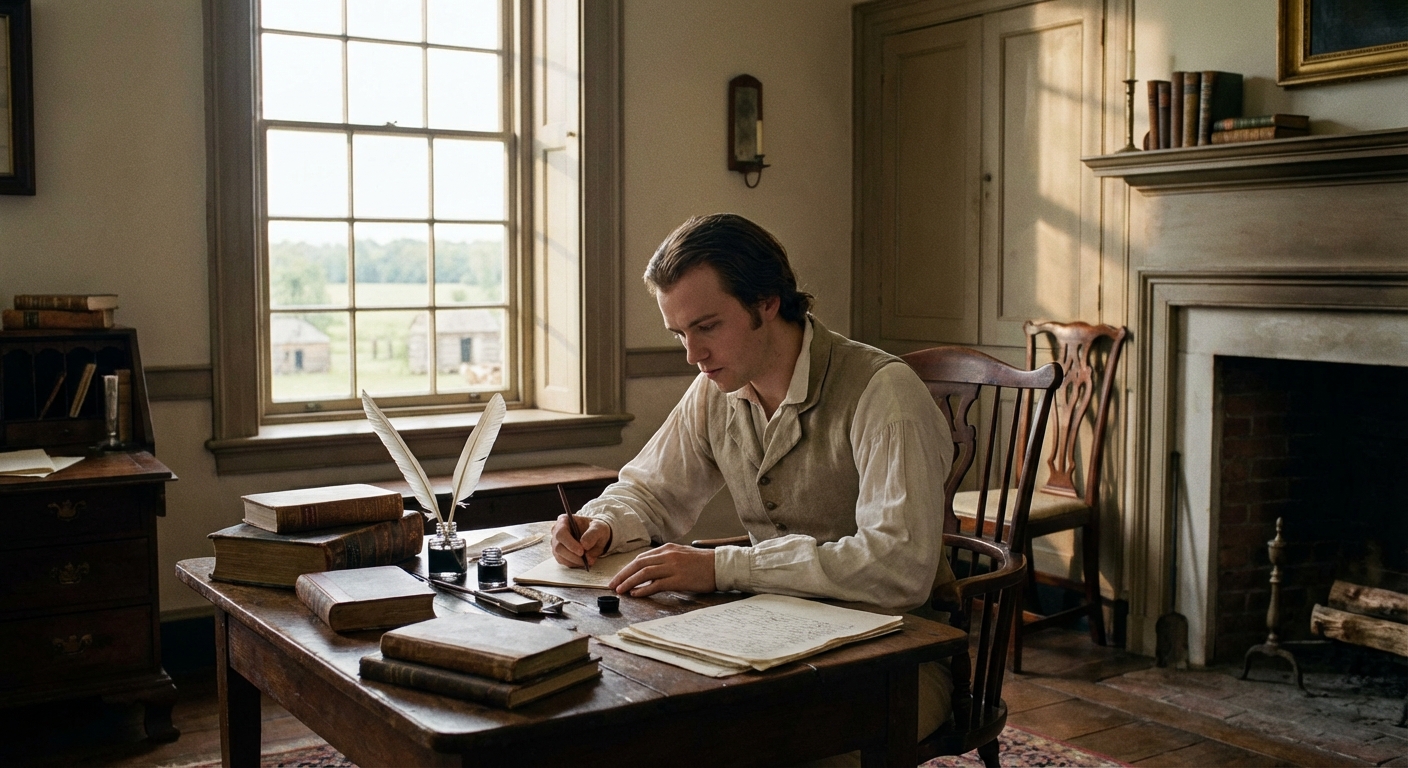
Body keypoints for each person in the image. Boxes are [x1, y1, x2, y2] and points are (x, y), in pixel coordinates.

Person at [550, 213, 956, 738]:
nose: (693, 355)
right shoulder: (716, 390)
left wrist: (725, 568)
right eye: (679, 334)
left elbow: (897, 567)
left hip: (896, 660)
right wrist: (601, 522)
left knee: (735, 744)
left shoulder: (884, 393)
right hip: (769, 640)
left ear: (767, 301)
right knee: (637, 721)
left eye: (707, 327)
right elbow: (650, 491)